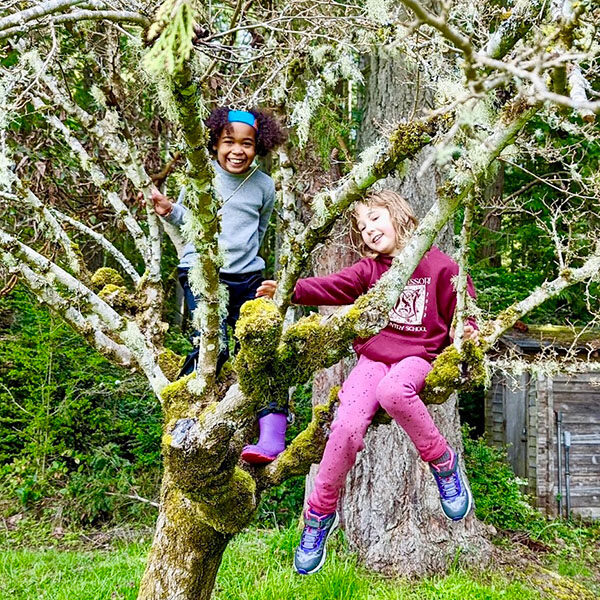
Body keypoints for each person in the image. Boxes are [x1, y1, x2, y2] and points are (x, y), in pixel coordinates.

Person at [256, 190, 479, 576]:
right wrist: (289, 291)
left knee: (394, 392)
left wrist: (470, 333)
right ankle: (318, 517)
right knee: (344, 427)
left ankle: (443, 463)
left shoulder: (441, 266)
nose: (369, 230)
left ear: (398, 213)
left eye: (375, 218)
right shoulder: (371, 271)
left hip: (417, 356)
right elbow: (333, 286)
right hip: (373, 357)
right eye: (362, 226)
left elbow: (464, 307)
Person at [150, 107, 288, 462]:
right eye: (229, 142)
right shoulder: (199, 175)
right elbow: (186, 221)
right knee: (214, 345)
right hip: (202, 272)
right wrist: (168, 210)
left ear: (259, 147)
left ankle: (272, 434)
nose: (237, 151)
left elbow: (258, 232)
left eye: (247, 144)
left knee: (260, 349)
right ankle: (185, 419)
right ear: (214, 144)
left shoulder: (264, 185)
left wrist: (254, 270)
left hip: (247, 278)